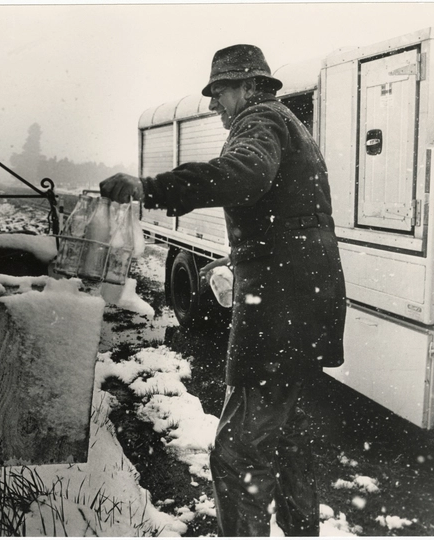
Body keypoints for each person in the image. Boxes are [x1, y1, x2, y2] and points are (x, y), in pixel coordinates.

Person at [100, 44, 346, 537]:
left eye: (220, 92)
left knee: (236, 454)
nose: (214, 105)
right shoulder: (288, 124)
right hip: (306, 299)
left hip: (280, 305)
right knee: (289, 438)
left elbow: (241, 176)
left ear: (249, 86)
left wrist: (151, 187)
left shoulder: (259, 121)